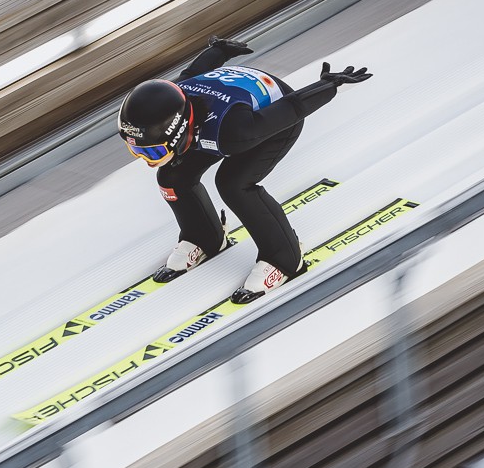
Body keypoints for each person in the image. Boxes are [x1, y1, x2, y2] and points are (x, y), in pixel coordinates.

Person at [117, 35, 372, 303]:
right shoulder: (177, 94)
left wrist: (328, 86)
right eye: (137, 151)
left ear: (179, 132)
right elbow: (194, 72)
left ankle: (285, 259)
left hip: (272, 115)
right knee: (172, 176)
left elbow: (291, 107)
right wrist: (219, 50)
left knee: (234, 184)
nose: (146, 160)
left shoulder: (235, 132)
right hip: (220, 106)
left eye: (153, 152)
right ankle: (204, 237)